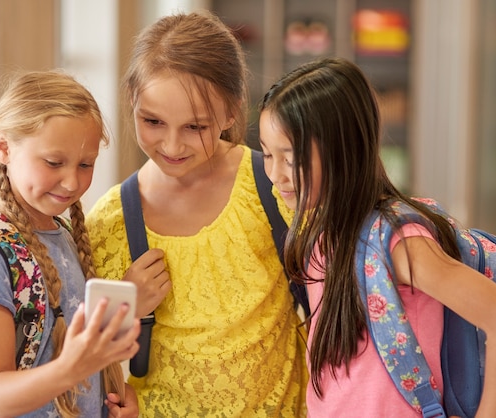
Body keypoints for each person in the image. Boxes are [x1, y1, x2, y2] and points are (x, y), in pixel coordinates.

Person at [257, 56, 496, 417]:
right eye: (267, 155)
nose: (275, 174)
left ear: (344, 149)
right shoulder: (320, 232)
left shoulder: (398, 241)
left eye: (290, 158)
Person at [85, 10, 308, 417]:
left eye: (195, 127)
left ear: (230, 114)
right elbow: (84, 354)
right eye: (152, 121)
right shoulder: (111, 220)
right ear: (132, 101)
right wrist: (127, 307)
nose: (172, 145)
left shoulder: (274, 187)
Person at [0, 70, 141, 417]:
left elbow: (56, 357)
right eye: (54, 162)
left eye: (85, 164)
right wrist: (74, 368)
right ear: (3, 147)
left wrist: (110, 394)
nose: (71, 181)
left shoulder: (64, 236)